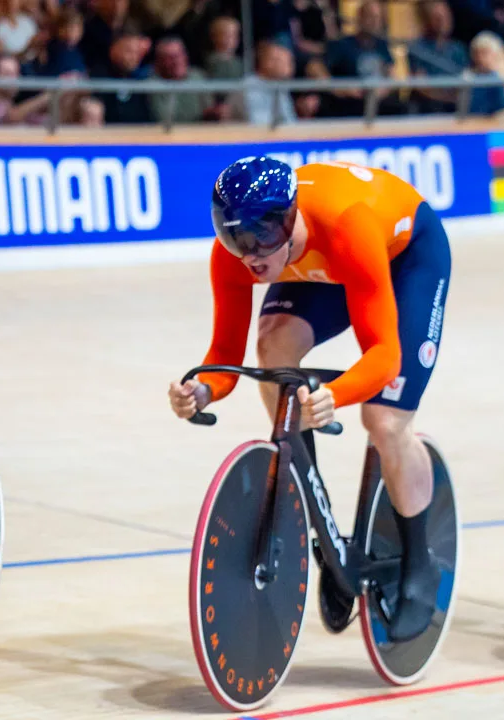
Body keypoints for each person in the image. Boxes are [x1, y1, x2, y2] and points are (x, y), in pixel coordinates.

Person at [167, 156, 452, 642]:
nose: (250, 254)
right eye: (234, 237)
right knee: (273, 349)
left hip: (403, 258)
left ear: (290, 217)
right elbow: (225, 356)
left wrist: (334, 395)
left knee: (384, 420)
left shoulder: (348, 227)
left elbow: (384, 355)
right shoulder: (234, 256)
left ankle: (420, 562)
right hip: (322, 262)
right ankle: (320, 526)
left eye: (261, 236)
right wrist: (201, 389)